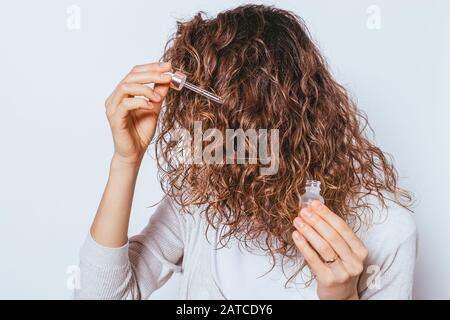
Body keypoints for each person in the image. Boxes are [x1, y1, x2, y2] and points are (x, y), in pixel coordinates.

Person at [76, 5, 417, 300]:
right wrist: (126, 159)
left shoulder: (387, 231)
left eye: (230, 128)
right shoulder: (200, 195)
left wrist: (343, 297)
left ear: (296, 120)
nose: (216, 148)